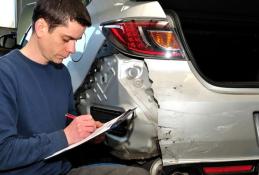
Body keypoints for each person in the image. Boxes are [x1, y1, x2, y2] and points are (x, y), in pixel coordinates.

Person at [0, 0, 149, 174]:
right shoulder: (5, 74)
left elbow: (67, 119)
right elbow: (3, 153)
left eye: (76, 40)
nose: (72, 49)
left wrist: (88, 134)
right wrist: (66, 136)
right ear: (41, 27)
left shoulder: (61, 72)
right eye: (66, 39)